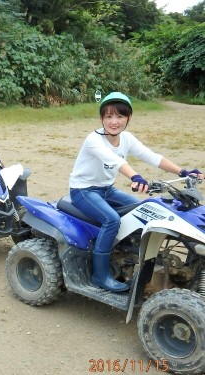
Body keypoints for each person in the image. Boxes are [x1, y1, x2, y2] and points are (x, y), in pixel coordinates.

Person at [69, 91, 203, 292]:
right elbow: (116, 161)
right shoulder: (93, 140)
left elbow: (152, 157)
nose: (114, 121)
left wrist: (182, 171)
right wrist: (135, 176)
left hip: (106, 189)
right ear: (102, 118)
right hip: (83, 191)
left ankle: (129, 255)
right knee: (111, 219)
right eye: (109, 116)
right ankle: (100, 275)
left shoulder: (127, 138)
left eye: (120, 116)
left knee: (142, 210)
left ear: (128, 118)